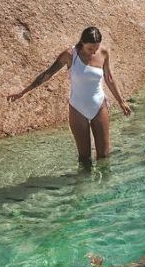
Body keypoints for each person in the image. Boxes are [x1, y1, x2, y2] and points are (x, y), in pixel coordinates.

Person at [8, 26, 131, 164]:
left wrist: (121, 101)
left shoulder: (103, 53)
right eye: (90, 48)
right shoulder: (70, 55)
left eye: (96, 48)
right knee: (85, 158)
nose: (93, 52)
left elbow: (109, 78)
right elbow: (47, 74)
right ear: (82, 42)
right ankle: (84, 185)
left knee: (104, 156)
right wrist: (23, 92)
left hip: (99, 106)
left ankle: (104, 185)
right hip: (77, 109)